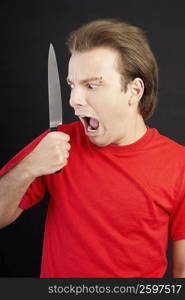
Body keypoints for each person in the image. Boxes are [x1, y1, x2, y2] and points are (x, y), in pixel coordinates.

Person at [0, 19, 185, 278]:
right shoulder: (56, 144)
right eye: (72, 85)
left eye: (92, 85)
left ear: (134, 91)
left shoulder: (179, 164)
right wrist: (29, 168)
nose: (74, 100)